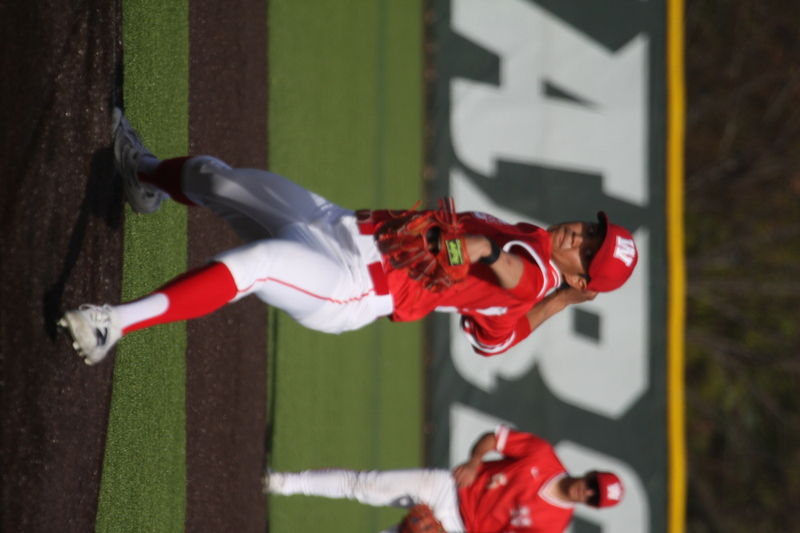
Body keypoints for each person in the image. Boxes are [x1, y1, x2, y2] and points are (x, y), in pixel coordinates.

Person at [59, 108, 638, 365]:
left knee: (256, 264)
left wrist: (484, 252)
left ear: (584, 271)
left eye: (589, 250)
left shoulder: (535, 269)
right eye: (592, 230)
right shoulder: (541, 254)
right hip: (339, 224)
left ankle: (116, 323)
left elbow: (511, 273)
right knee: (219, 180)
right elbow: (498, 341)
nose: (580, 236)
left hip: (353, 284)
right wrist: (563, 302)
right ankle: (142, 176)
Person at [264, 425, 625, 533]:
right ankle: (285, 483)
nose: (587, 491)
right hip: (452, 486)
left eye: (594, 497)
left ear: (591, 506)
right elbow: (493, 438)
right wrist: (474, 460)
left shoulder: (554, 523)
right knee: (367, 485)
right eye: (593, 484)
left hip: (460, 530)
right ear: (590, 474)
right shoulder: (542, 456)